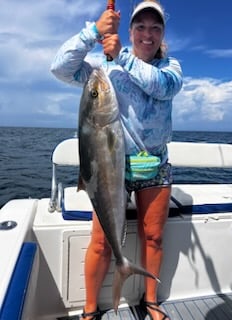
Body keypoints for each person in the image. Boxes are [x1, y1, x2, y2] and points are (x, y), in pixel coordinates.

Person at [51, 1, 183, 319]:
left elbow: (161, 88)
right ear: (131, 30)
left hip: (155, 165)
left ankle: (150, 300)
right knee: (101, 242)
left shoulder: (171, 69)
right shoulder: (104, 72)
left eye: (155, 28)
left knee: (153, 236)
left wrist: (122, 54)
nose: (147, 34)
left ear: (162, 33)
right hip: (112, 168)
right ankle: (91, 308)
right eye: (140, 27)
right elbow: (61, 68)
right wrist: (93, 31)